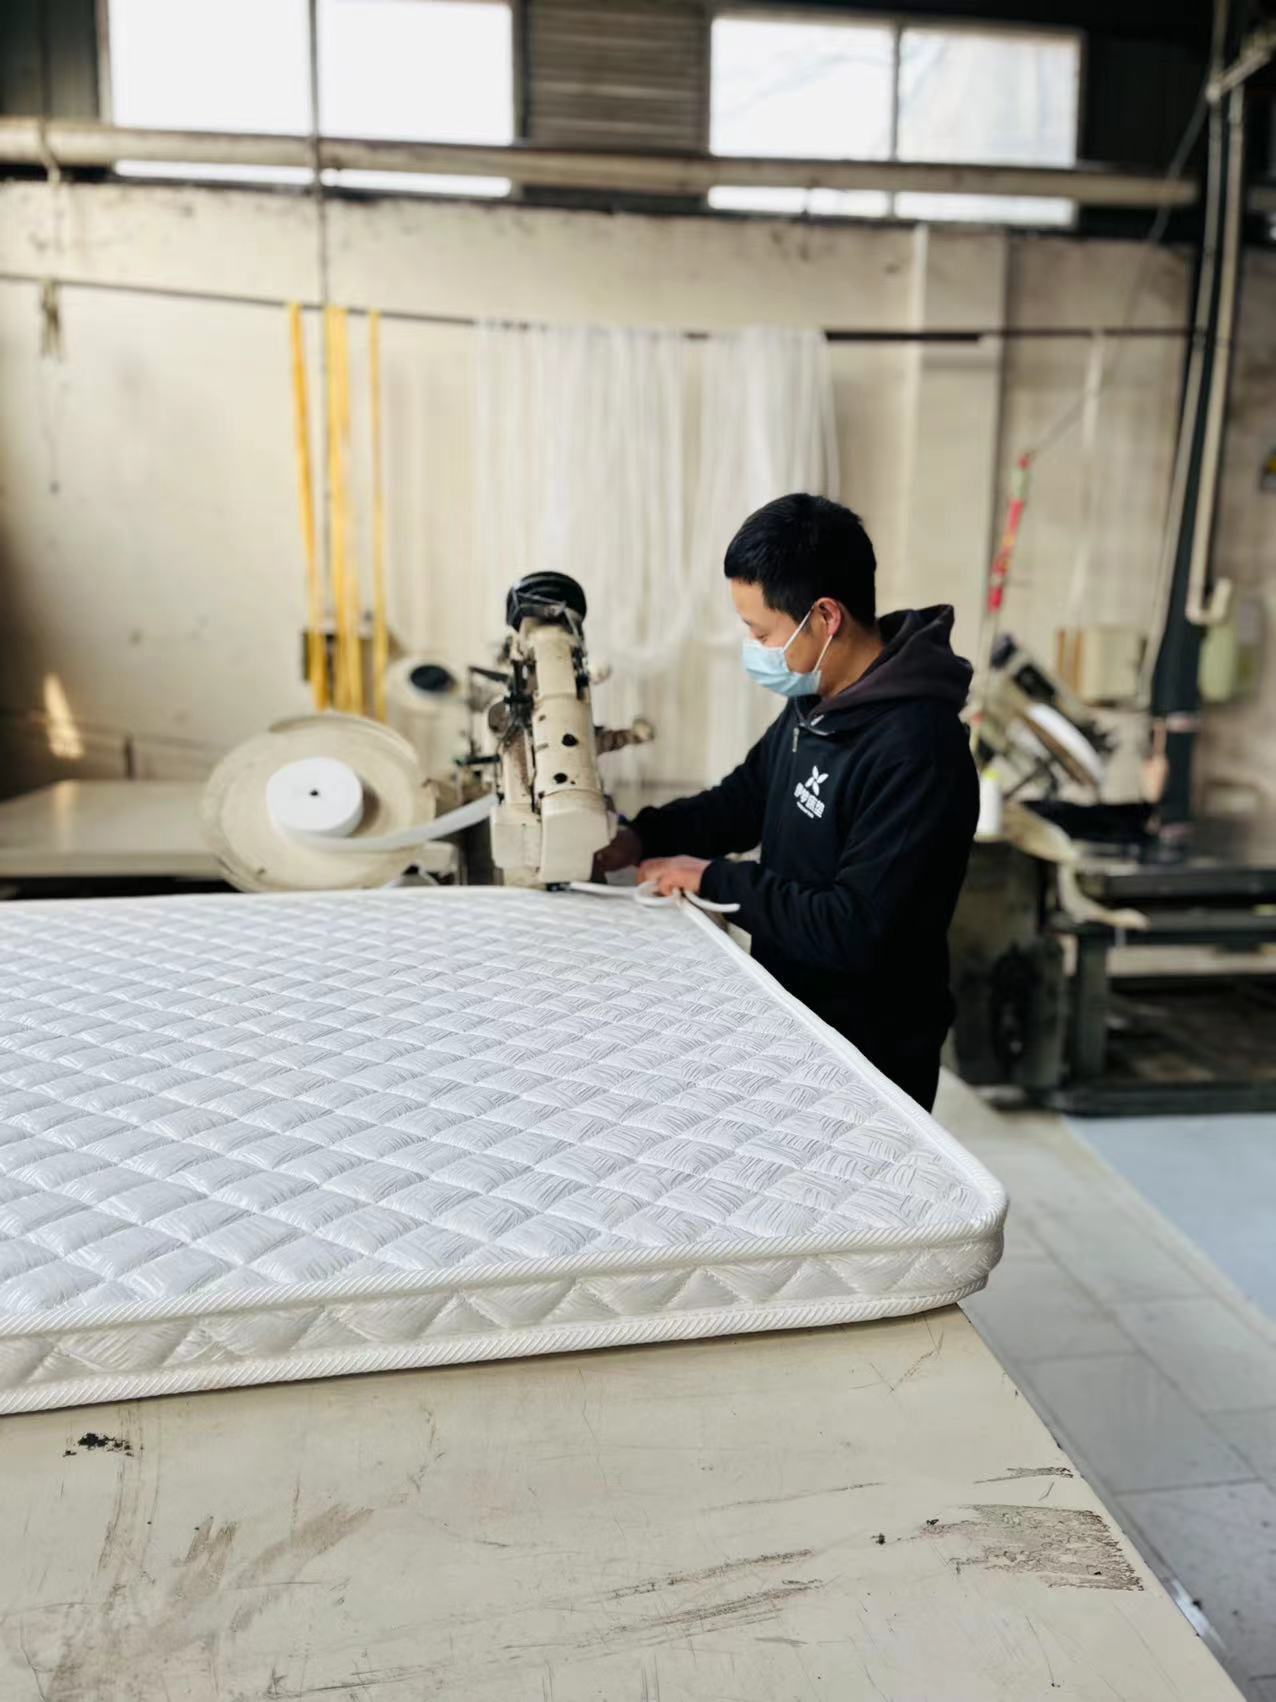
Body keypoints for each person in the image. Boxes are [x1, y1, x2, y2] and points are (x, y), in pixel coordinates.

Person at [597, 492, 978, 1112]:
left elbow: (856, 927)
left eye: (761, 631)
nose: (754, 646)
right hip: (795, 1017)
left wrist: (714, 878)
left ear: (826, 616)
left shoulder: (918, 750)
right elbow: (744, 800)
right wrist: (640, 838)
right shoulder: (816, 704)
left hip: (871, 1052)